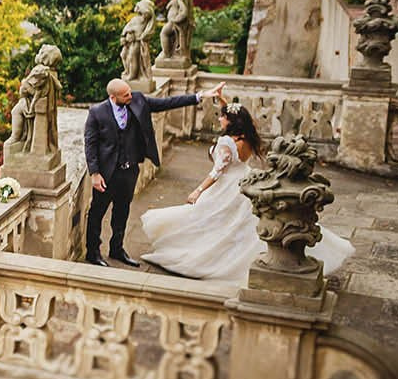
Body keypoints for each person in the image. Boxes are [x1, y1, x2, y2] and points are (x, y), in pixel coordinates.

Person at [140, 101, 355, 282]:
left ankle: (206, 258)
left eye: (222, 117)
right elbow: (239, 118)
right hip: (245, 178)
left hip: (226, 185)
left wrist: (198, 191)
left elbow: (217, 171)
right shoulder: (247, 137)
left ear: (230, 121)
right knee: (237, 224)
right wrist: (223, 99)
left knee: (208, 219)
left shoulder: (226, 142)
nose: (219, 119)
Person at [84, 77, 222, 267]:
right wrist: (95, 173)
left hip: (129, 171)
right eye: (125, 95)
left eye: (130, 92)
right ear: (113, 97)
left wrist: (200, 96)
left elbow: (168, 103)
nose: (130, 96)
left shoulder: (138, 100)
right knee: (97, 213)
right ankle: (93, 252)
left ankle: (117, 249)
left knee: (122, 212)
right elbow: (90, 145)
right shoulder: (97, 112)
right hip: (107, 174)